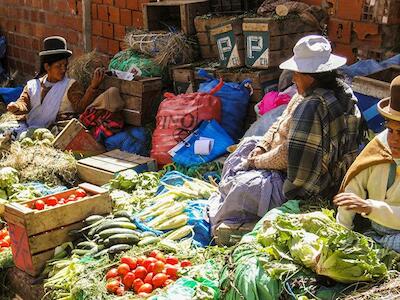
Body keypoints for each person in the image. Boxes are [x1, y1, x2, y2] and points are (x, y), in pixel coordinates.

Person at [208, 35, 362, 234]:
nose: (293, 78)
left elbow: (289, 158)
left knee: (244, 189)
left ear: (310, 75)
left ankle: (226, 220)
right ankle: (229, 194)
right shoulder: (313, 93)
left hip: (309, 184)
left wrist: (256, 162)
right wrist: (261, 147)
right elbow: (278, 124)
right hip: (288, 160)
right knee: (246, 145)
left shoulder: (313, 106)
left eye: (296, 73)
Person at [7, 36, 124, 137]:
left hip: (57, 131)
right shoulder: (33, 85)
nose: (64, 69)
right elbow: (24, 103)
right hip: (31, 128)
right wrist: (15, 106)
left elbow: (80, 107)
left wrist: (93, 87)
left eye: (65, 65)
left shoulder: (71, 85)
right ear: (47, 66)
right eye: (59, 66)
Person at [335, 75, 400, 252]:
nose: (394, 140)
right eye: (391, 130)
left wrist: (369, 207)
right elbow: (353, 188)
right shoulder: (379, 147)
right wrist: (342, 233)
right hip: (374, 229)